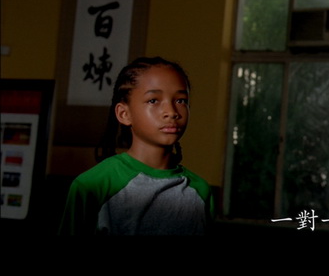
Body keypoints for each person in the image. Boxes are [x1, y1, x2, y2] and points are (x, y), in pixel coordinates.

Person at [59, 57, 214, 235]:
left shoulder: (200, 191)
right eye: (153, 100)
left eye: (180, 100)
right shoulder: (93, 185)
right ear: (124, 114)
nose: (171, 112)